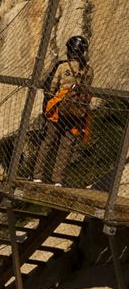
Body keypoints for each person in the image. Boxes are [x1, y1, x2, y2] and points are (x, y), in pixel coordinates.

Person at [33, 34, 93, 186]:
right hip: (77, 112)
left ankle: (38, 176)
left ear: (69, 50)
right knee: (67, 145)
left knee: (48, 141)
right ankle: (58, 180)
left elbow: (51, 88)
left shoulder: (62, 67)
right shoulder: (89, 71)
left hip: (59, 109)